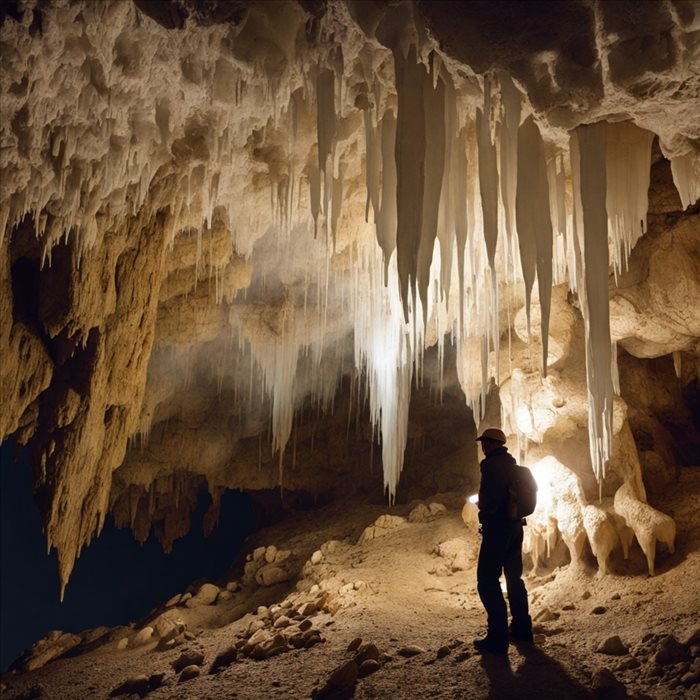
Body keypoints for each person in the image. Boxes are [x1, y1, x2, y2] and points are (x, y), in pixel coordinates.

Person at [473, 427, 533, 654]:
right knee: (514, 578)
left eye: (485, 442)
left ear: (492, 444)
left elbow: (490, 499)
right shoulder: (513, 465)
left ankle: (497, 636)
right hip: (516, 527)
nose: (483, 446)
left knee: (487, 580)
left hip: (497, 529)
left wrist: (482, 508)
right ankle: (522, 629)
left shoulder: (490, 466)